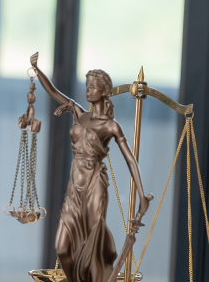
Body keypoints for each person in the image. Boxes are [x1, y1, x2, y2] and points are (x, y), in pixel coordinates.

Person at [29, 53, 152, 282]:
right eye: (87, 86)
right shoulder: (78, 113)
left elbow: (130, 160)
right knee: (62, 247)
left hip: (95, 184)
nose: (88, 90)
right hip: (74, 188)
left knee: (93, 247)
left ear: (103, 91)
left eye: (93, 86)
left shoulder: (111, 126)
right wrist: (37, 71)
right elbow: (55, 92)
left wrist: (142, 194)